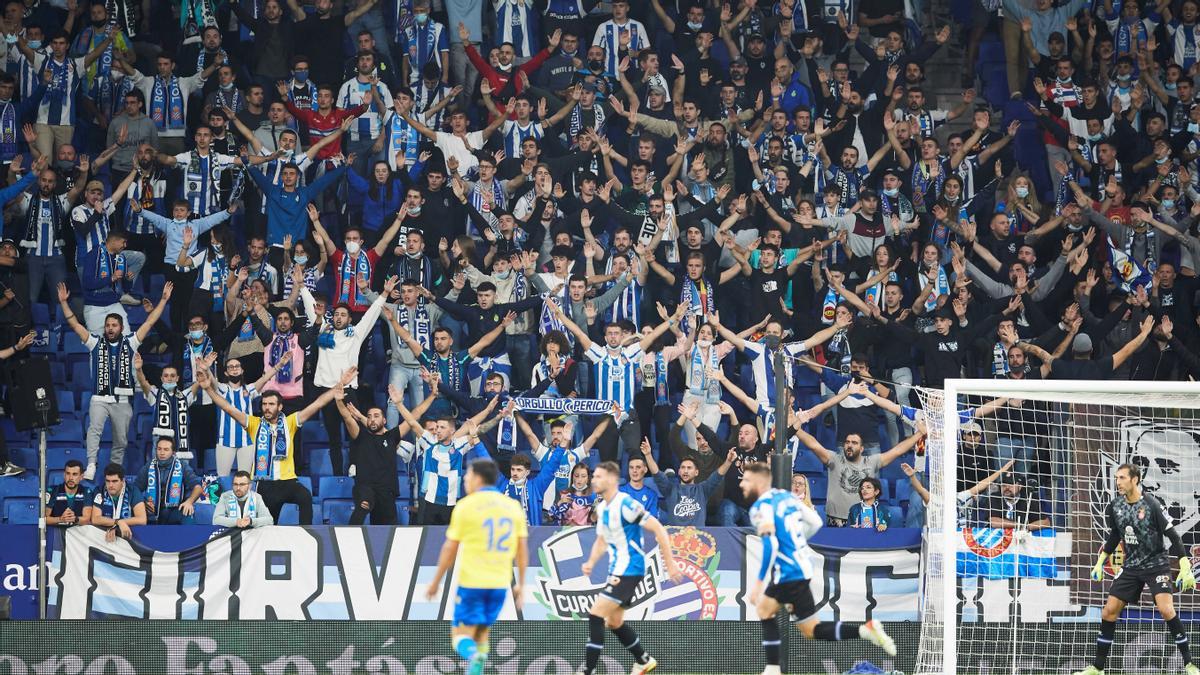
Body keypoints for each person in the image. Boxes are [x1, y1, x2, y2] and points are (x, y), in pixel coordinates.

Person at [740, 461, 896, 675]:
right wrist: (797, 544)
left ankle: (773, 669)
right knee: (811, 629)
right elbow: (815, 522)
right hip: (802, 569)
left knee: (764, 610)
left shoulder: (760, 507)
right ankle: (864, 630)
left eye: (746, 479)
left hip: (788, 572)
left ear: (759, 481)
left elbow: (771, 544)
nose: (742, 485)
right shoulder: (787, 498)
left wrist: (758, 582)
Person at [1073, 463, 1197, 675]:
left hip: (1156, 565)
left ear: (1135, 479)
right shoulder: (1115, 507)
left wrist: (1185, 566)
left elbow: (1173, 537)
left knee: (1166, 610)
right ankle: (1097, 668)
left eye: (1122, 478)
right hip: (1131, 567)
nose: (1118, 482)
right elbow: (1114, 536)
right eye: (1116, 478)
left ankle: (1189, 664)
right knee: (1109, 611)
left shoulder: (1151, 504)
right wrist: (1100, 561)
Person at [197, 366, 357, 525]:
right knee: (268, 525)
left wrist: (340, 384)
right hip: (265, 484)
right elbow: (227, 408)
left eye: (271, 404)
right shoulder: (254, 424)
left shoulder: (290, 422)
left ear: (280, 407)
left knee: (305, 496)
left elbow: (317, 404)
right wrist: (209, 390)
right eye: (264, 404)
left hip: (288, 482)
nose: (267, 407)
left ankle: (304, 533)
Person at [577, 461, 683, 675]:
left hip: (630, 568)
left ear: (612, 480)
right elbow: (601, 540)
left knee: (596, 614)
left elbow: (659, 530)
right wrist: (590, 562)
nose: (593, 480)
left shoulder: (626, 504)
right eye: (593, 476)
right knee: (614, 622)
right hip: (618, 569)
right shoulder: (603, 508)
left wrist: (670, 564)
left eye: (598, 476)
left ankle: (587, 671)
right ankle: (643, 660)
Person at [59, 281, 172, 481]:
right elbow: (75, 324)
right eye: (108, 325)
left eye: (114, 325)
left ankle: (114, 473)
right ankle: (92, 464)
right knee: (94, 429)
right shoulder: (95, 342)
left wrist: (163, 300)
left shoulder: (131, 342)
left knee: (121, 440)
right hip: (100, 397)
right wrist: (64, 303)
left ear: (121, 327)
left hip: (122, 399)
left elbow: (149, 322)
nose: (110, 328)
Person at [425, 458, 529, 675]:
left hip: (472, 583)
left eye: (468, 475)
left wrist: (435, 582)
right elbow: (522, 550)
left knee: (460, 637)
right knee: (482, 635)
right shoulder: (513, 507)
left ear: (479, 478)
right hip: (499, 585)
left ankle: (474, 656)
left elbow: (449, 549)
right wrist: (521, 584)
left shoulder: (466, 506)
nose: (465, 480)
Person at [641, 437, 734, 527]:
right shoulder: (670, 489)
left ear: (696, 472)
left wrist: (728, 462)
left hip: (698, 538)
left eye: (689, 468)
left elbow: (717, 476)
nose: (685, 471)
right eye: (683, 467)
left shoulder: (702, 490)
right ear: (679, 471)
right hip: (675, 538)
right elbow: (657, 474)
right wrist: (648, 455)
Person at [133, 437, 203, 524]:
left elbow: (198, 488)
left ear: (173, 452)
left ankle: (191, 537)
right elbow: (135, 489)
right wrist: (142, 503)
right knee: (135, 509)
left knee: (187, 512)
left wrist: (189, 502)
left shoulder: (182, 466)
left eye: (166, 450)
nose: (162, 453)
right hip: (152, 510)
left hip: (175, 510)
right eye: (159, 449)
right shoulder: (149, 466)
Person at [83, 463, 147, 543]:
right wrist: (118, 522)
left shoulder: (133, 491)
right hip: (104, 538)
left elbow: (142, 519)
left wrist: (118, 524)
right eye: (108, 481)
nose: (110, 485)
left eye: (114, 481)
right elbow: (95, 519)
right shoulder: (100, 491)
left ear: (122, 481)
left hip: (129, 538)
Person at [44, 459, 89, 526]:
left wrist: (74, 519)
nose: (70, 478)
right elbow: (44, 518)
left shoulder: (86, 492)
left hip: (77, 531)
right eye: (68, 474)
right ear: (64, 475)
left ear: (81, 477)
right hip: (56, 530)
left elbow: (87, 519)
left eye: (75, 474)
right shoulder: (52, 491)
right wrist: (60, 519)